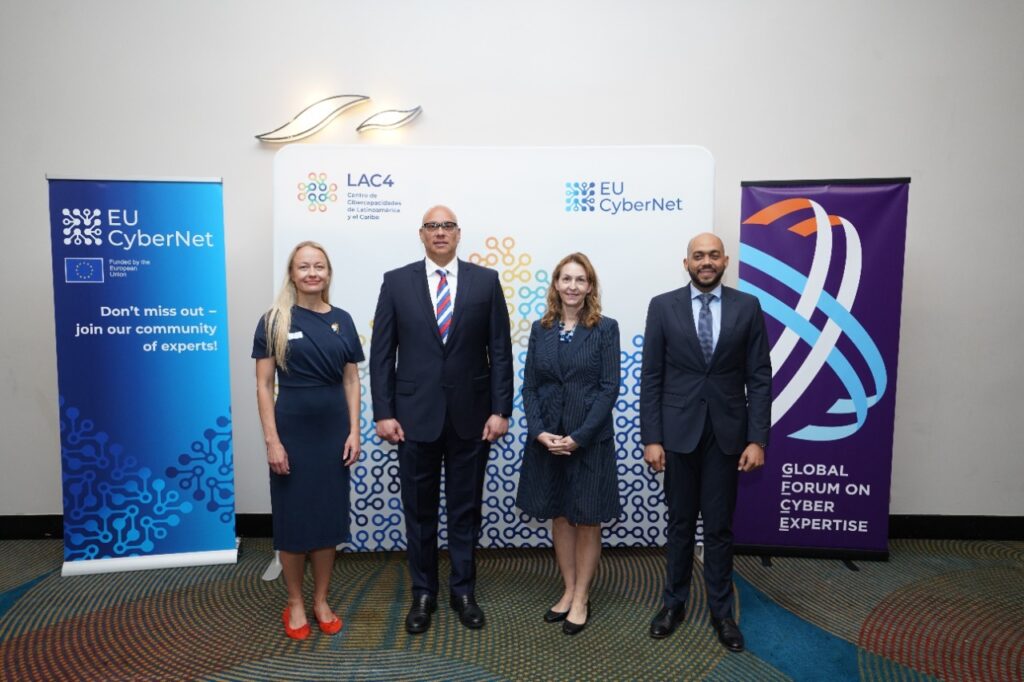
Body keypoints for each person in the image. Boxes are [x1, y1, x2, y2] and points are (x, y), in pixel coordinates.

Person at [370, 205, 514, 634]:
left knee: (466, 510)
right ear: (421, 234)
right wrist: (384, 412)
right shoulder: (396, 282)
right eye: (432, 226)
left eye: (447, 226)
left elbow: (500, 350)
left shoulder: (485, 282)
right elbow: (382, 355)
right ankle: (424, 593)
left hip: (472, 418)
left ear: (458, 233)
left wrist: (500, 409)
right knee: (419, 511)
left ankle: (463, 591)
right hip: (413, 419)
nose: (439, 232)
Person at [639, 232, 771, 652]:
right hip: (677, 436)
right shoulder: (662, 307)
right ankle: (673, 604)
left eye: (713, 255)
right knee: (679, 525)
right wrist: (652, 437)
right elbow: (652, 378)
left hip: (728, 437)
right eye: (699, 256)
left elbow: (760, 378)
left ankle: (721, 612)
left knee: (718, 528)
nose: (706, 261)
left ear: (725, 260)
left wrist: (758, 439)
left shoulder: (748, 307)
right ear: (687, 262)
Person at [253, 241, 363, 640]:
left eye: (319, 266)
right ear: (293, 273)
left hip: (333, 432)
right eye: (304, 267)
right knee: (294, 522)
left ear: (328, 273)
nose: (312, 272)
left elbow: (352, 380)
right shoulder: (274, 321)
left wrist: (354, 430)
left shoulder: (344, 320)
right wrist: (272, 441)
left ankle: (321, 599)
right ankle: (296, 601)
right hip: (292, 431)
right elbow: (265, 386)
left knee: (327, 521)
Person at [516, 253, 622, 636]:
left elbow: (610, 387)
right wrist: (540, 431)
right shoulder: (540, 328)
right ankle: (567, 589)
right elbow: (530, 386)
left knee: (587, 519)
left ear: (590, 286)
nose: (573, 286)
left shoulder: (605, 329)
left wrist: (579, 437)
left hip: (588, 441)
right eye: (566, 279)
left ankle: (581, 597)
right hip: (547, 440)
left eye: (581, 279)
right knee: (559, 516)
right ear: (556, 285)